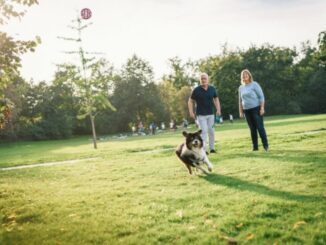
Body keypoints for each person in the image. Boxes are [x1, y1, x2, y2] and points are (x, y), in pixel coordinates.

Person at [188, 72, 221, 153]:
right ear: (200, 80)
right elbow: (190, 101)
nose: (203, 80)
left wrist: (218, 109)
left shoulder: (212, 89)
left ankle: (212, 148)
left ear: (208, 79)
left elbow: (216, 99)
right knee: (204, 132)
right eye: (201, 79)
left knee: (211, 131)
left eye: (205, 78)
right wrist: (191, 112)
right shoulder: (196, 90)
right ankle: (204, 150)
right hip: (201, 115)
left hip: (211, 114)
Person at [239, 69, 269, 151]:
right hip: (247, 111)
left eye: (246, 75)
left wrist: (262, 108)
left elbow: (261, 96)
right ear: (241, 77)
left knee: (260, 127)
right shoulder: (241, 87)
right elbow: (240, 100)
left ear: (249, 76)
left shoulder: (254, 84)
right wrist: (241, 111)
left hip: (256, 109)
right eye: (243, 75)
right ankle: (255, 147)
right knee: (252, 129)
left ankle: (265, 146)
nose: (244, 76)